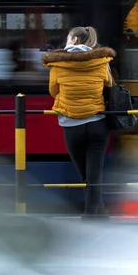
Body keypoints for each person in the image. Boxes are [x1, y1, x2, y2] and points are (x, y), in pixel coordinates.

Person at [42, 26, 116, 218]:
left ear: (74, 39)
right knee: (94, 175)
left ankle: (91, 216)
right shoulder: (102, 61)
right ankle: (99, 214)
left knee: (85, 175)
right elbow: (109, 86)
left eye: (68, 38)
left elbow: (53, 91)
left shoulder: (57, 64)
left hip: (71, 125)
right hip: (97, 123)